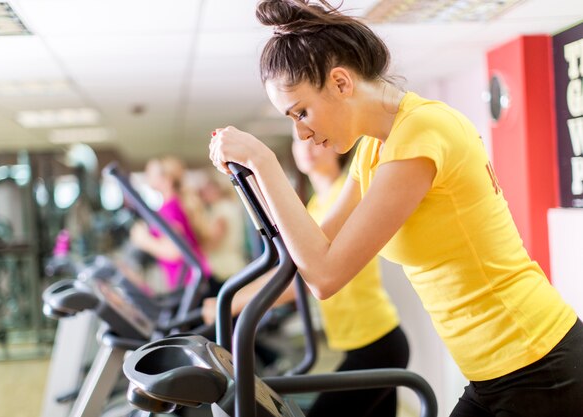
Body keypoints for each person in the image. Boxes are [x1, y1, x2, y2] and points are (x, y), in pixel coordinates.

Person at [208, 1, 583, 416]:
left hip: (538, 363)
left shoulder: (421, 134)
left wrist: (265, 162)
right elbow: (315, 239)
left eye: (301, 112)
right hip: (495, 372)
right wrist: (255, 179)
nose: (301, 132)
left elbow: (326, 275)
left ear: (340, 83)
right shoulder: (375, 149)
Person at [203, 128, 409, 417]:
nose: (306, 146)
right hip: (358, 342)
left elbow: (302, 279)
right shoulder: (314, 205)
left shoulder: (347, 194)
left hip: (376, 341)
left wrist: (232, 303)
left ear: (335, 144)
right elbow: (287, 266)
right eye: (298, 141)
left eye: (314, 139)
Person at [130, 156, 213, 293]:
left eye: (151, 173)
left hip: (189, 283)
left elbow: (175, 251)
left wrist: (144, 240)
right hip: (194, 280)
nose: (147, 176)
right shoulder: (175, 204)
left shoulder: (169, 208)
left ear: (166, 180)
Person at [197, 169, 248, 285]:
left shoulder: (221, 210)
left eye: (205, 190)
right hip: (233, 264)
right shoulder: (228, 206)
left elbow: (214, 241)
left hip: (223, 269)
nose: (202, 194)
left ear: (215, 189)